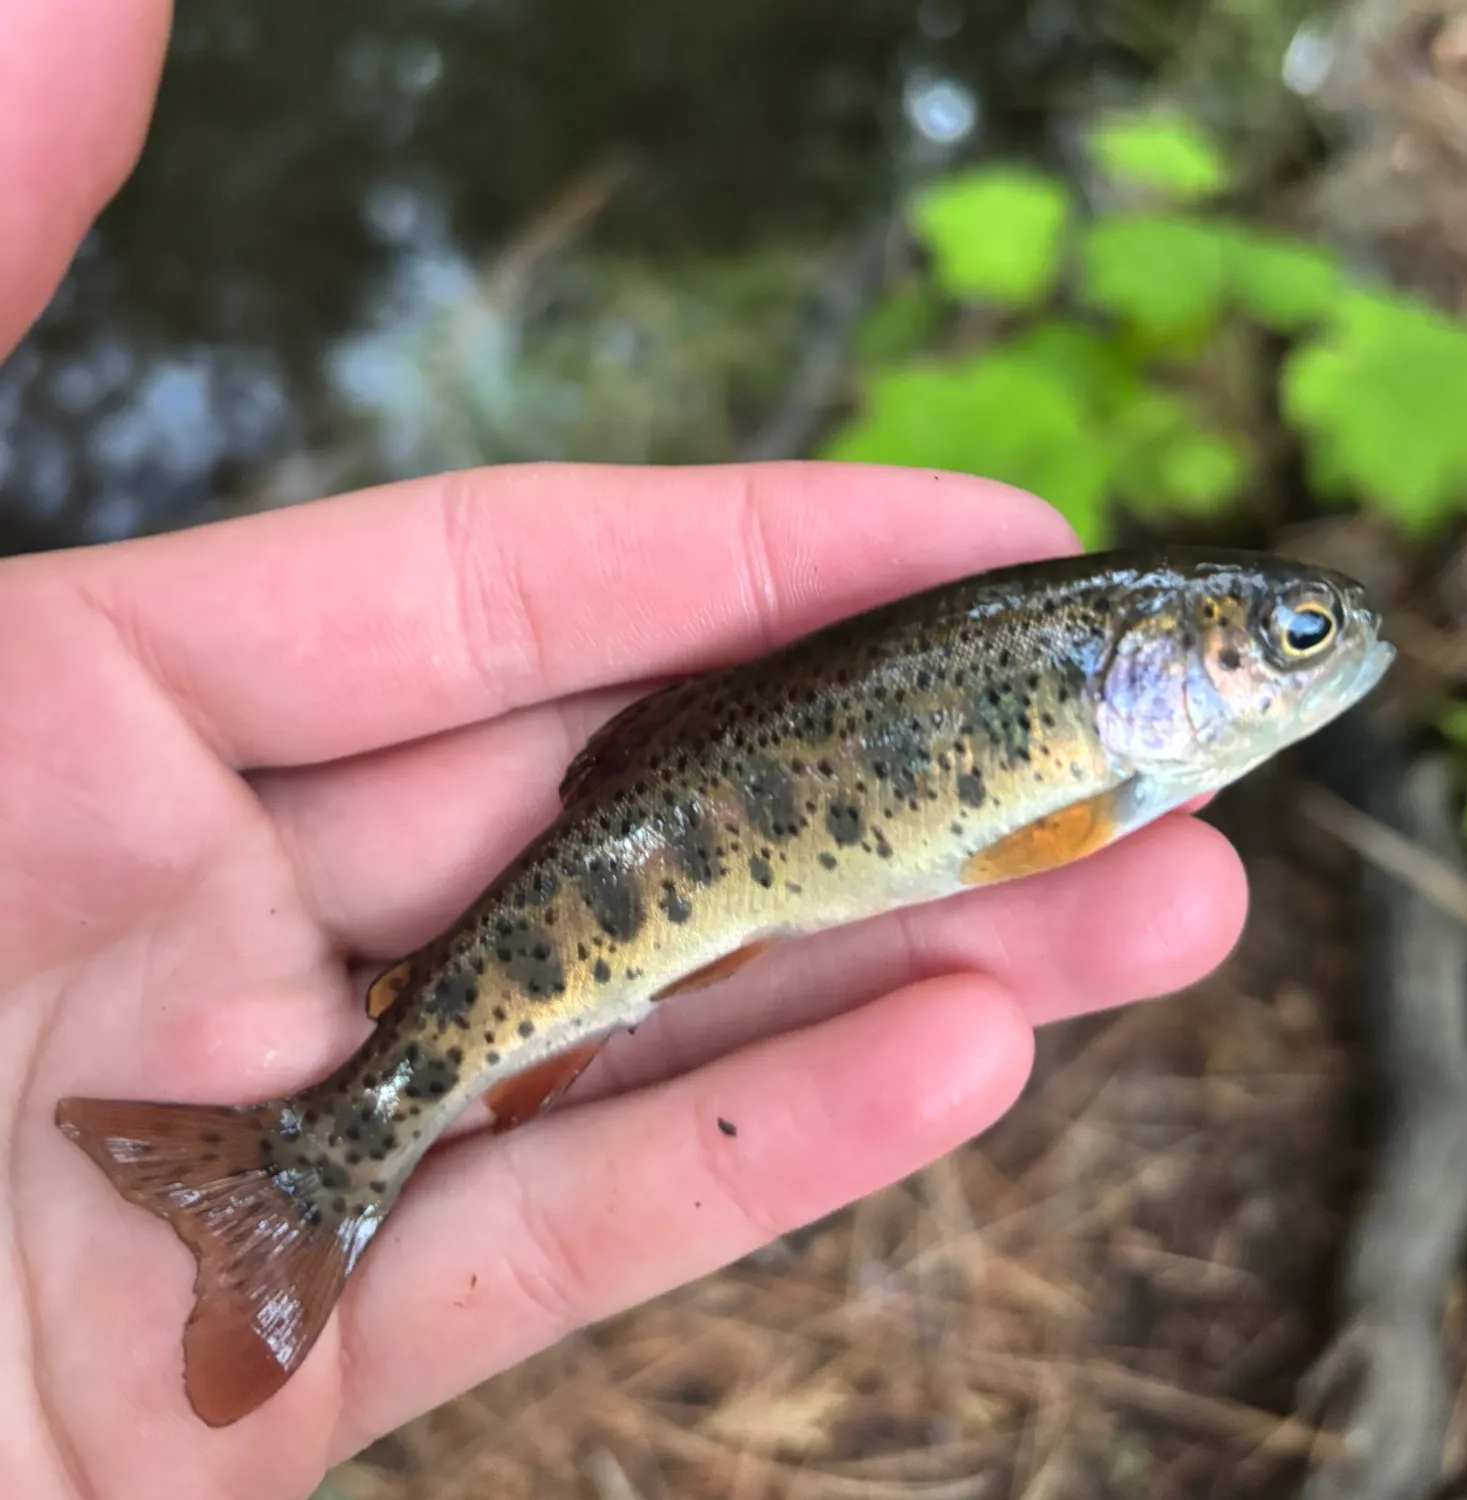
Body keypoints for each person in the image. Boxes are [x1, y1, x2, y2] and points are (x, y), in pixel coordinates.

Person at [0, 4, 1248, 1496]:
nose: (1319, 652)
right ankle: (309, 1172)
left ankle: (310, 1171)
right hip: (657, 874)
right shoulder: (1084, 739)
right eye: (1292, 641)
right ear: (1157, 663)